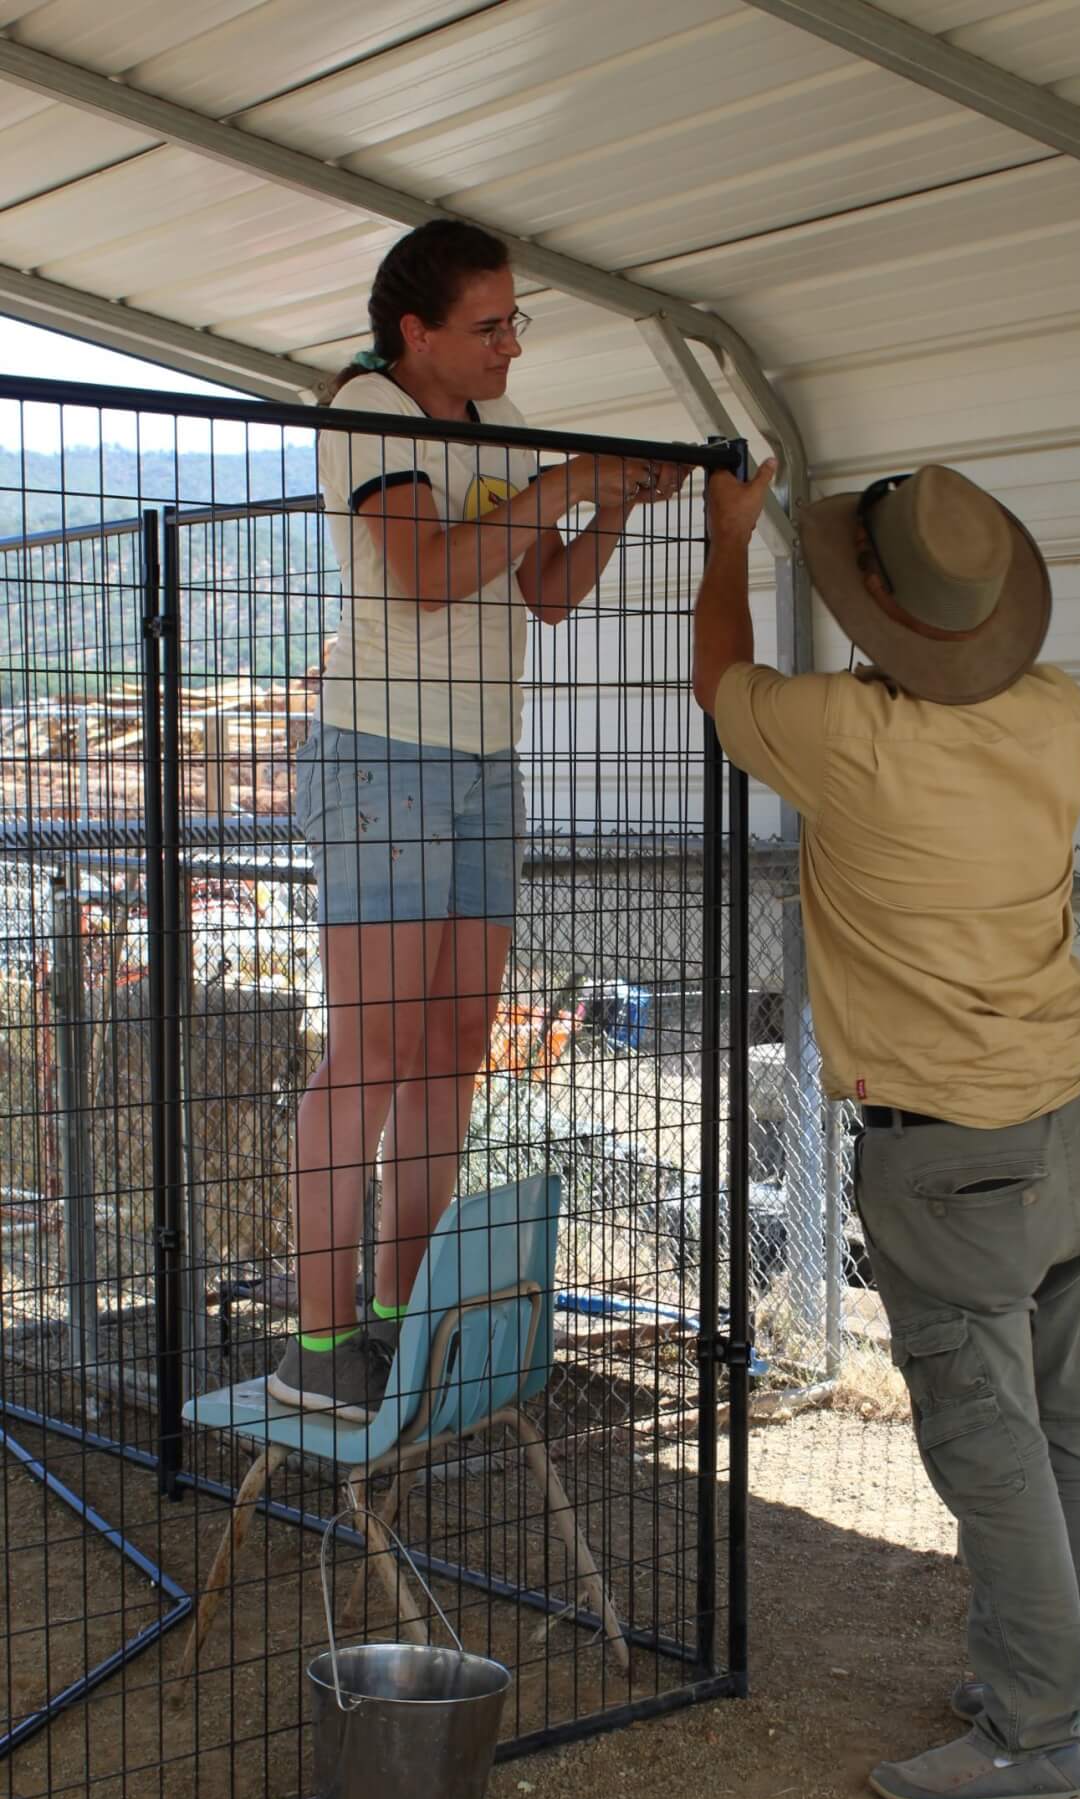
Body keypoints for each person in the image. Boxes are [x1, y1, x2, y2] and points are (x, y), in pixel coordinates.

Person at [692, 454, 1080, 1799]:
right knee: (1059, 1424)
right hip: (1070, 1119)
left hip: (951, 1157)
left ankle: (1034, 1735)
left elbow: (716, 676)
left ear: (872, 610)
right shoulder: (1061, 717)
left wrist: (721, 542)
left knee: (987, 1447)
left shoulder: (849, 737)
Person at [272, 220, 684, 1423]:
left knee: (455, 1041)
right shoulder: (364, 409)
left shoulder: (486, 438)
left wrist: (607, 509)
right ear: (418, 333)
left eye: (516, 322)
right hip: (385, 761)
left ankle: (405, 1314)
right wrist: (562, 483)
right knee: (376, 1049)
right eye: (489, 325)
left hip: (482, 763)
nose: (512, 344)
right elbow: (425, 571)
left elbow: (544, 593)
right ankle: (318, 1336)